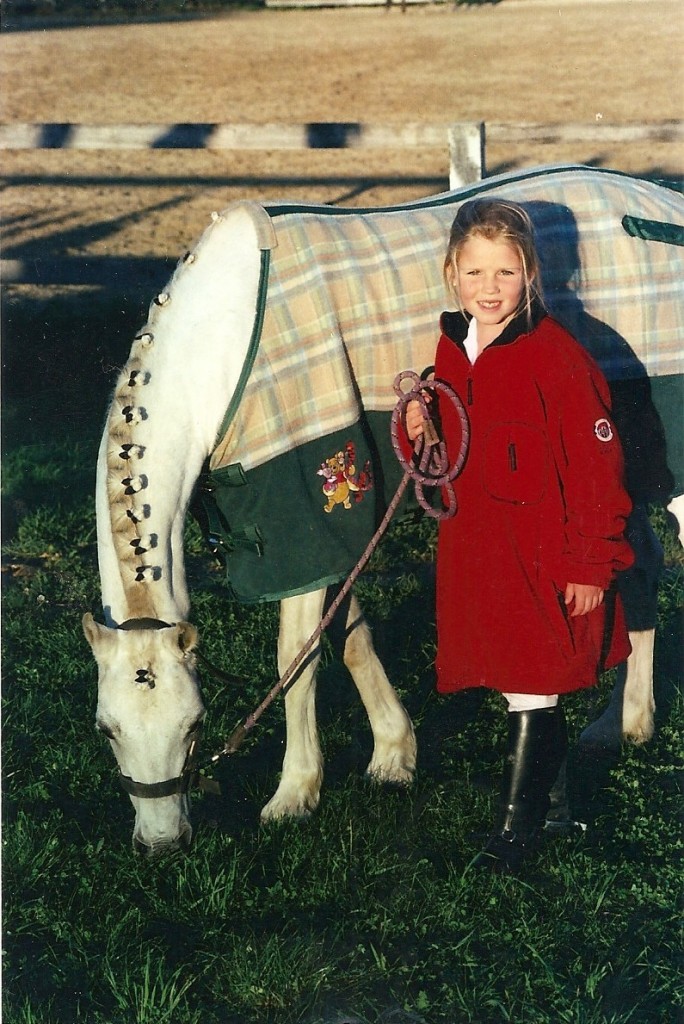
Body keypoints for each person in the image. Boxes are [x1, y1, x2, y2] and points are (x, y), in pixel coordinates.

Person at [404, 198, 634, 873]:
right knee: (515, 675)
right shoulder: (452, 345)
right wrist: (423, 430)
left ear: (531, 272)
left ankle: (517, 832)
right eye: (475, 272)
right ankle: (554, 805)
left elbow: (599, 471)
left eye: (506, 272)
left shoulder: (557, 358)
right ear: (452, 273)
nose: (490, 287)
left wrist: (592, 564)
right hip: (483, 549)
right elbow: (453, 450)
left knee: (534, 678)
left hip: (542, 550)